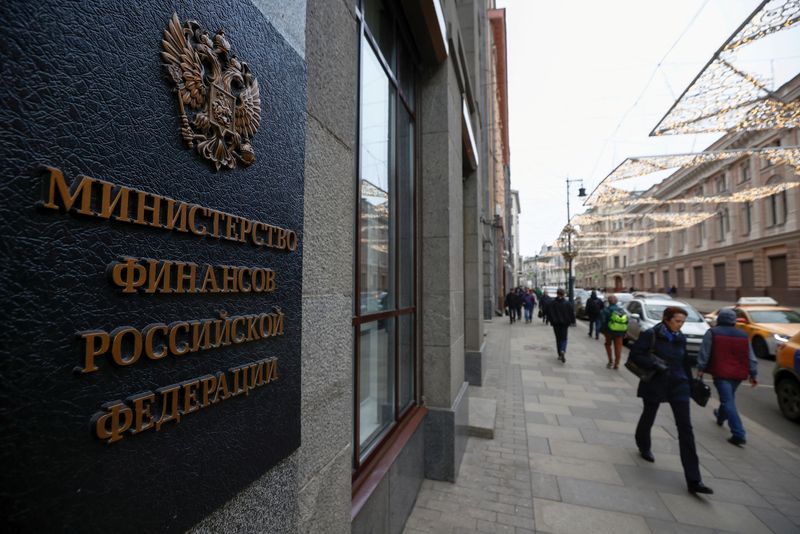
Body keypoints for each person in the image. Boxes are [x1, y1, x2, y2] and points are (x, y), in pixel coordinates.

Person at [628, 306, 713, 495]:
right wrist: (656, 364)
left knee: (686, 429)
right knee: (649, 415)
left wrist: (691, 384)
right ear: (667, 319)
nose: (680, 325)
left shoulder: (680, 337)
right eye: (677, 321)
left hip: (679, 385)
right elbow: (635, 355)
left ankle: (694, 480)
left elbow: (684, 362)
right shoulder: (651, 334)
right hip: (656, 383)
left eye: (682, 322)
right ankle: (643, 444)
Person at [696, 308, 758, 446]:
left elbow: (704, 352)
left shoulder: (713, 332)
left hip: (721, 373)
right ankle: (720, 416)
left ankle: (738, 433)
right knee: (728, 398)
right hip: (738, 374)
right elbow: (751, 357)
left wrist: (701, 369)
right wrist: (753, 374)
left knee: (728, 400)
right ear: (734, 321)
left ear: (720, 319)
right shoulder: (743, 335)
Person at [545, 288, 574, 362]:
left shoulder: (552, 303)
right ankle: (563, 350)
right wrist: (572, 322)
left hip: (556, 324)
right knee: (564, 338)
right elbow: (571, 313)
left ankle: (559, 354)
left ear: (557, 294)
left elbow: (549, 312)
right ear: (563, 294)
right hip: (564, 324)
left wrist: (551, 320)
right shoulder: (567, 303)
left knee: (558, 338)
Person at [600, 295, 627, 369]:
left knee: (608, 344)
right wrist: (625, 332)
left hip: (609, 332)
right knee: (618, 347)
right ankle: (617, 363)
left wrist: (602, 331)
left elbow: (603, 321)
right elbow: (626, 322)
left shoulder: (606, 310)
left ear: (608, 302)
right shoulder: (621, 310)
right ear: (616, 301)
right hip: (619, 332)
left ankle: (610, 361)